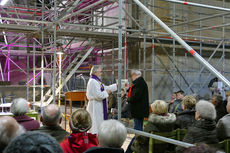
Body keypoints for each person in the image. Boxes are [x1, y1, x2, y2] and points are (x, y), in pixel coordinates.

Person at [86, 65, 117, 134]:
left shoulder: (96, 81)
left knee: (98, 124)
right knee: (95, 125)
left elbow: (105, 88)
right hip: (95, 105)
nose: (101, 73)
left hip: (98, 105)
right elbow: (98, 95)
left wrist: (116, 86)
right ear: (95, 72)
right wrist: (107, 92)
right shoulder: (93, 81)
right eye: (100, 72)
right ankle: (96, 140)